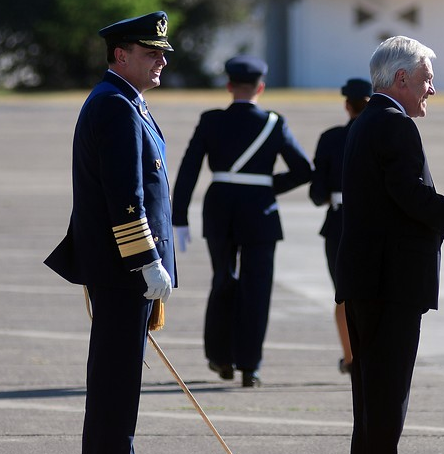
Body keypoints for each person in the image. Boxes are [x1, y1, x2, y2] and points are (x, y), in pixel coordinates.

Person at [334, 36, 444, 453]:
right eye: (425, 79)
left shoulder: (366, 121)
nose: (431, 89)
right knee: (385, 402)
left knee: (371, 403)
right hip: (389, 286)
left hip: (368, 282)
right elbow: (409, 195)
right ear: (401, 79)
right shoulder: (395, 124)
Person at [43, 11, 176, 453]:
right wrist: (147, 262)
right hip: (125, 272)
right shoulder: (115, 106)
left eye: (162, 52)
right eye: (150, 52)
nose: (160, 60)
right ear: (120, 55)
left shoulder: (125, 100)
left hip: (123, 271)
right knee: (115, 388)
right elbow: (126, 197)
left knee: (118, 385)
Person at [172, 55, 312, 388]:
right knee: (257, 288)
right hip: (260, 212)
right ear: (261, 87)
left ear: (229, 85)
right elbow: (304, 170)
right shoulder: (274, 123)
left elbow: (188, 170)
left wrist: (178, 218)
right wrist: (265, 186)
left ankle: (220, 357)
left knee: (223, 280)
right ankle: (251, 366)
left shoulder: (210, 121)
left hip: (219, 208)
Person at [309, 77, 372, 375]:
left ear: (347, 105)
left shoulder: (331, 138)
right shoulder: (382, 134)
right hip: (375, 222)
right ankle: (371, 354)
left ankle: (350, 358)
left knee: (344, 293)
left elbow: (317, 194)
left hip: (339, 223)